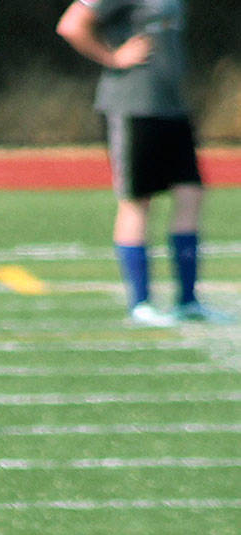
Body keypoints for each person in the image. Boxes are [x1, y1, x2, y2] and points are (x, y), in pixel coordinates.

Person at [56, 0, 233, 326]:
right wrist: (112, 57)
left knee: (191, 193)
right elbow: (71, 24)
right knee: (138, 201)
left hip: (172, 108)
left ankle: (188, 301)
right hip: (133, 106)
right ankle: (141, 303)